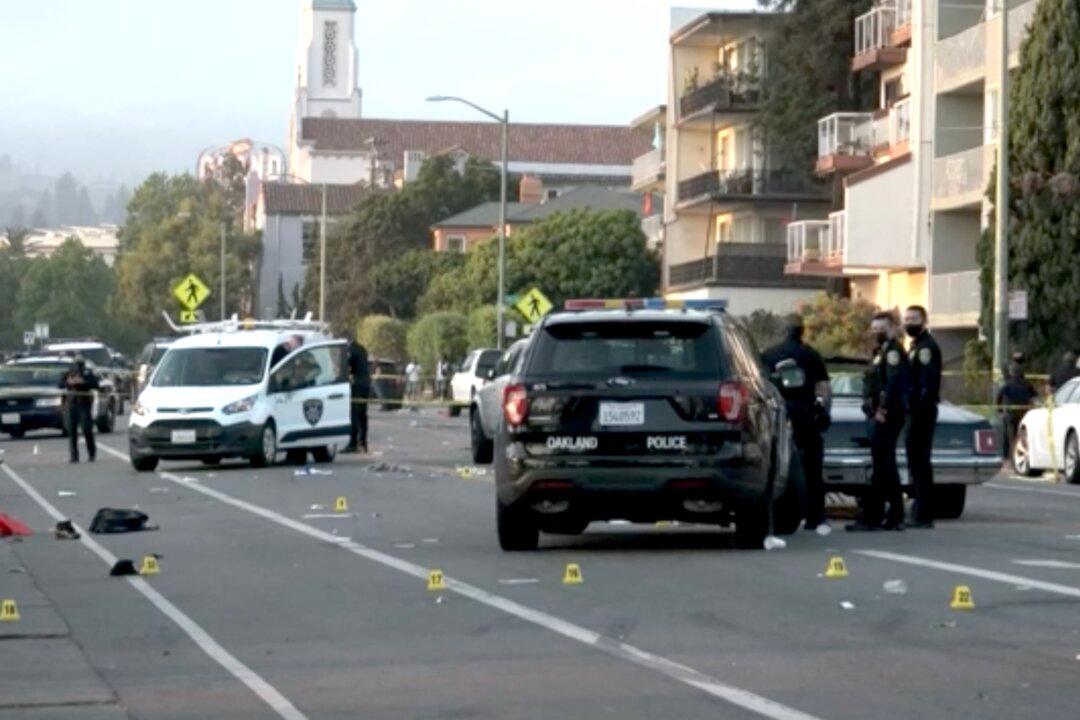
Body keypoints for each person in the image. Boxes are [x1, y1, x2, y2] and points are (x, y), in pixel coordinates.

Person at [762, 315, 832, 534]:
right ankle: (815, 516)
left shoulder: (769, 354)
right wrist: (824, 413)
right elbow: (824, 388)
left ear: (783, 330)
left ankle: (772, 515)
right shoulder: (811, 354)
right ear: (802, 330)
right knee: (812, 466)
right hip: (805, 415)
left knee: (774, 465)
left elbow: (761, 386)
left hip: (778, 415)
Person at [848, 312, 910, 532]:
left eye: (882, 329)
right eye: (874, 329)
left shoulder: (892, 352)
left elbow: (892, 383)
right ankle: (892, 514)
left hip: (887, 414)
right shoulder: (880, 351)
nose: (877, 333)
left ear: (893, 328)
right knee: (883, 464)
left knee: (883, 465)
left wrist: (882, 409)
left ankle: (876, 515)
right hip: (879, 412)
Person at [902, 305, 941, 529]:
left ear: (924, 321)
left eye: (914, 319)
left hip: (921, 412)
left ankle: (924, 513)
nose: (909, 323)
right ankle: (918, 508)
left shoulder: (926, 348)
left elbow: (928, 383)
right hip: (914, 410)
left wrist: (917, 409)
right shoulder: (915, 346)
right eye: (906, 319)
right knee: (914, 461)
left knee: (920, 461)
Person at [60, 356, 100, 463]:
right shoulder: (68, 373)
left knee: (86, 429)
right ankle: (74, 456)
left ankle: (91, 453)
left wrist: (83, 382)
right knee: (71, 430)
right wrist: (69, 382)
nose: (78, 366)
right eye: (76, 364)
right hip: (71, 403)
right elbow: (60, 384)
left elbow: (95, 385)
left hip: (84, 403)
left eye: (80, 364)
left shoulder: (87, 373)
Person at [997, 360, 1037, 462]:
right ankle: (1021, 454)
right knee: (1022, 435)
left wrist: (1000, 410)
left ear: (1011, 373)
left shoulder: (1008, 384)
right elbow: (1035, 396)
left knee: (1009, 435)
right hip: (1023, 413)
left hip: (1010, 413)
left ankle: (1008, 456)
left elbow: (999, 396)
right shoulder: (1026, 384)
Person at [345, 336, 371, 453]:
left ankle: (353, 443)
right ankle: (363, 441)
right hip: (365, 383)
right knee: (362, 414)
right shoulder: (362, 348)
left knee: (355, 414)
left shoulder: (351, 350)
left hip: (358, 384)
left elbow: (347, 366)